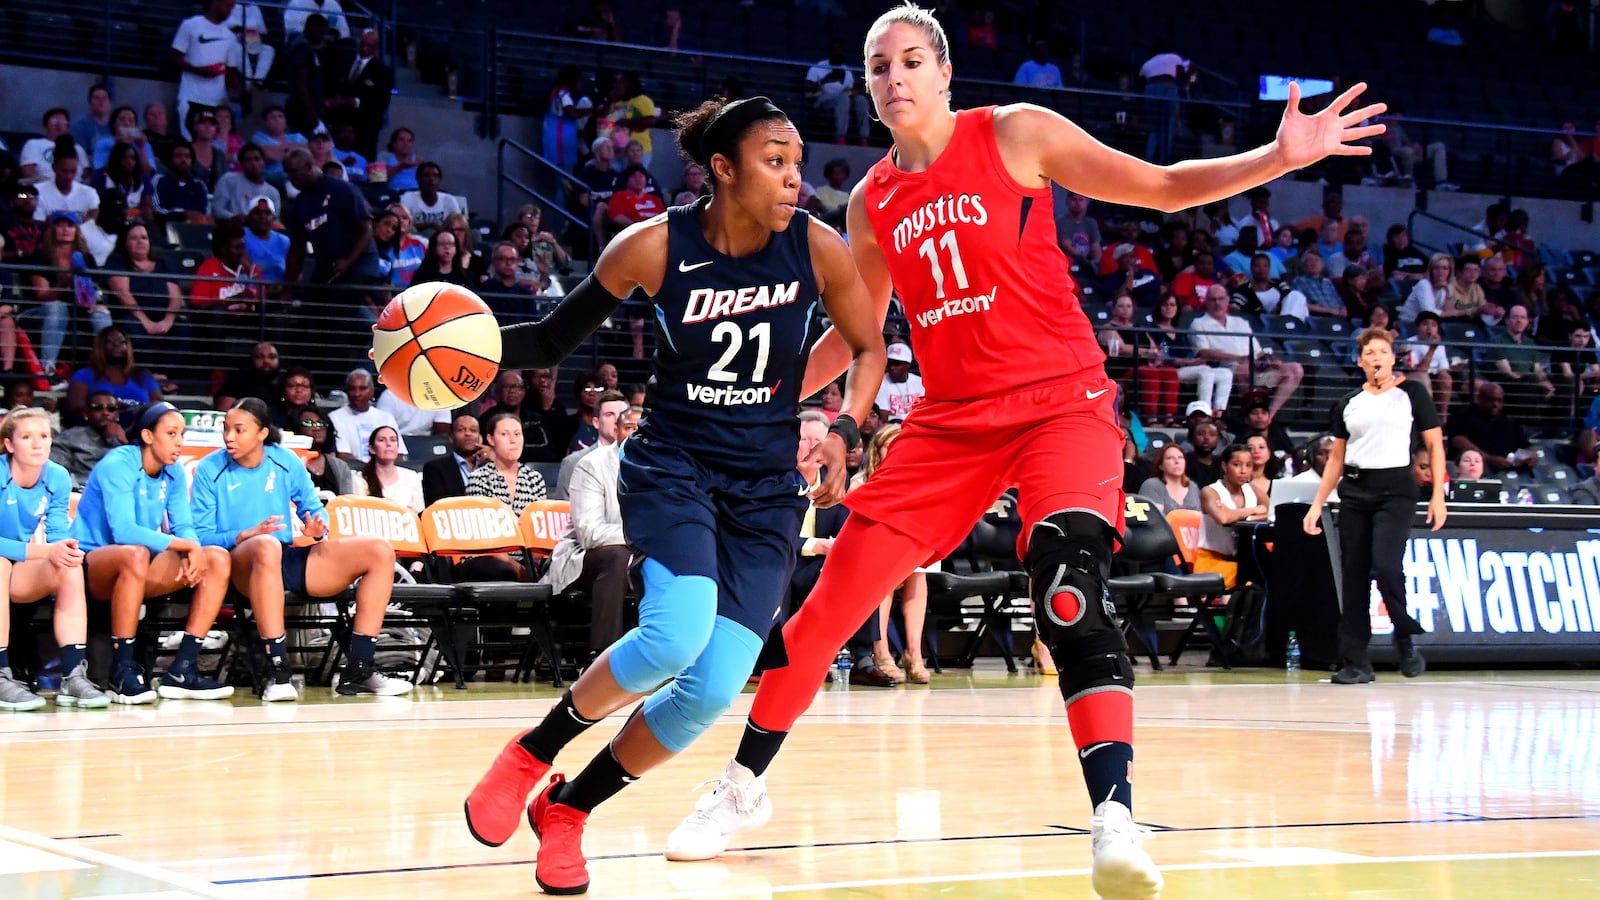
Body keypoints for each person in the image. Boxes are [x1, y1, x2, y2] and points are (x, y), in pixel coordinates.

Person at [666, 9, 1382, 897]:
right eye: (878, 65)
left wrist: (1279, 157)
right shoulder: (872, 200)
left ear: (945, 73)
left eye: (912, 61)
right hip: (950, 423)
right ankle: (741, 788)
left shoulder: (1015, 133)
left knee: (1069, 592)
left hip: (1060, 407)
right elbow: (860, 332)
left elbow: (1159, 187)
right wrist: (755, 392)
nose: (894, 77)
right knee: (821, 615)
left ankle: (1115, 821)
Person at [460, 94, 884, 896]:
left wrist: (845, 432)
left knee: (715, 689)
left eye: (798, 161)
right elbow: (551, 340)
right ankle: (531, 753)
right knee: (670, 638)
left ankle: (571, 810)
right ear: (723, 169)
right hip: (677, 468)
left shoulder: (817, 248)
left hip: (765, 492)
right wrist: (460, 350)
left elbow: (869, 346)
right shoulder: (651, 246)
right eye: (775, 160)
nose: (795, 176)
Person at [191, 398, 411, 701]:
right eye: (226, 429)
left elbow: (314, 509)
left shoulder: (286, 461)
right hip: (239, 561)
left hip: (285, 555)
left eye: (239, 430)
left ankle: (359, 667)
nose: (229, 436)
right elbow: (201, 536)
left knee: (379, 550)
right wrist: (245, 534)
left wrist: (318, 529)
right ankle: (278, 671)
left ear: (262, 433)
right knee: (266, 546)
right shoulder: (209, 468)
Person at [1304, 326, 1445, 684]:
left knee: (1385, 566)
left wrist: (1438, 496)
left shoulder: (1412, 393)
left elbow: (1435, 446)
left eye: (1383, 351)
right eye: (1370, 353)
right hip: (1355, 489)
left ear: (1393, 357)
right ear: (1360, 361)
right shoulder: (1349, 402)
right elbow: (1336, 458)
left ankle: (1404, 635)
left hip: (1396, 489)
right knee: (1353, 576)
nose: (1377, 358)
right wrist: (1316, 504)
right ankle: (1355, 660)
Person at [72, 402, 235, 704]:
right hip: (90, 566)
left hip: (139, 564)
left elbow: (184, 523)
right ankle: (122, 670)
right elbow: (123, 531)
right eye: (171, 433)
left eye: (182, 434)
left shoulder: (171, 470)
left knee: (217, 559)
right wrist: (184, 545)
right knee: (133, 553)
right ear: (147, 436)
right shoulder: (118, 464)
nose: (179, 442)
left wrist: (194, 546)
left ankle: (182, 669)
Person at [0, 408, 109, 711]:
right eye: (26, 437)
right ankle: (0, 674)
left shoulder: (57, 476)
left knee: (69, 565)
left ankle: (73, 676)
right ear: (9, 445)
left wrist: (66, 548)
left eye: (44, 436)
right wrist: (44, 552)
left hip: (15, 568)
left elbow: (57, 533)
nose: (37, 444)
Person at [1194, 443, 1265, 588]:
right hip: (1212, 561)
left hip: (1243, 558)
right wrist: (1254, 510)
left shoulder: (1253, 490)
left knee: (1274, 568)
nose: (1244, 471)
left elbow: (1270, 511)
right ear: (1225, 466)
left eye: (1249, 465)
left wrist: (1236, 514)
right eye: (1237, 465)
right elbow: (1223, 518)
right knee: (1256, 575)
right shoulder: (1210, 491)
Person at [50, 390, 127, 488]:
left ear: (117, 415)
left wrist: (124, 441)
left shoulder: (126, 441)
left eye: (111, 409)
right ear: (86, 413)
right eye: (98, 408)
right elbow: (55, 472)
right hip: (80, 491)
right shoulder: (69, 438)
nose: (105, 413)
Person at [351, 426, 424, 513]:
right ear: (372, 449)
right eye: (382, 440)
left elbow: (419, 512)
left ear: (397, 448)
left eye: (393, 440)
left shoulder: (411, 476)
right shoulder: (360, 479)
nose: (388, 444)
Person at [422, 412, 485, 505]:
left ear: (480, 438)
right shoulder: (435, 468)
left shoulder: (491, 465)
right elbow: (436, 506)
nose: (468, 434)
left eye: (473, 430)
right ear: (451, 438)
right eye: (461, 430)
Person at [293, 408, 352, 495]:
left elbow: (347, 500)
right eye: (309, 423)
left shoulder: (340, 466)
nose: (317, 428)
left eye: (321, 423)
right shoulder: (289, 463)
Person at [1139, 443, 1200, 515]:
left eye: (1180, 457)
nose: (1177, 461)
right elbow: (1154, 519)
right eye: (1170, 458)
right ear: (1160, 465)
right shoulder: (1152, 485)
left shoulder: (1193, 486)